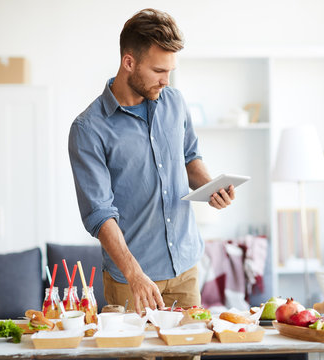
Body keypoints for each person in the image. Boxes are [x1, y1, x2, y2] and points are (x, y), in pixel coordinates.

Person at [68, 8, 235, 314]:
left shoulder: (174, 102)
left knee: (189, 352)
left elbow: (189, 157)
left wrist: (211, 187)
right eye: (159, 70)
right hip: (132, 279)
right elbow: (99, 213)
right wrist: (134, 274)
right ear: (128, 62)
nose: (166, 80)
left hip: (185, 268)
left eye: (170, 70)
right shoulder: (88, 129)